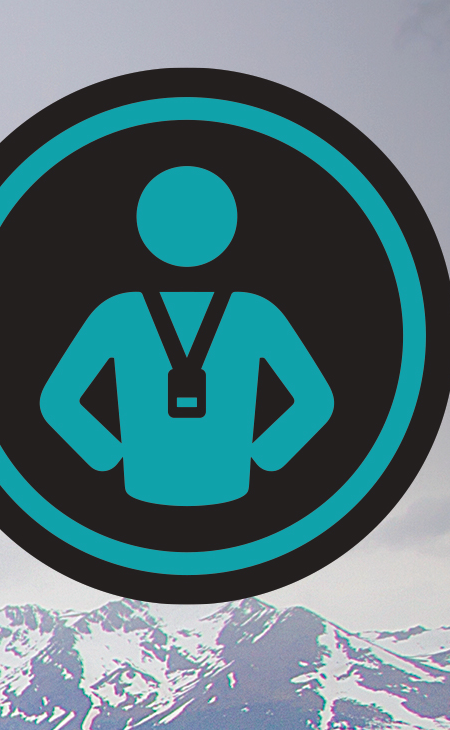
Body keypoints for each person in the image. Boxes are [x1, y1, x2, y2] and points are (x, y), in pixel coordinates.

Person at [38, 165, 331, 508]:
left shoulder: (117, 313)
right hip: (227, 479)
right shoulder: (255, 312)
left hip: (146, 480)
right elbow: (316, 401)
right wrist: (264, 456)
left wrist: (108, 456)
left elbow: (57, 401)